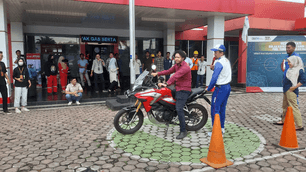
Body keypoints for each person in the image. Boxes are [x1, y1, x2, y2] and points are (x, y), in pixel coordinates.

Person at [151, 50, 191, 139]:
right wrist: (157, 73)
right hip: (177, 88)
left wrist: (166, 84)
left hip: (184, 90)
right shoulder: (177, 65)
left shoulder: (185, 67)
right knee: (166, 99)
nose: (176, 59)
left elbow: (175, 76)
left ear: (183, 58)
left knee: (179, 108)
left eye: (178, 57)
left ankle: (183, 130)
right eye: (175, 57)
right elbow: (168, 71)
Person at [273, 42, 306, 131]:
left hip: (291, 89)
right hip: (286, 87)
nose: (287, 49)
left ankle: (299, 126)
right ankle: (283, 120)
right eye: (286, 47)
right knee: (284, 106)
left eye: (289, 47)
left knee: (293, 106)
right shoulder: (290, 60)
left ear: (294, 48)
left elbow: (303, 80)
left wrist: (294, 87)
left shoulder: (297, 62)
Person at [205, 44, 231, 136]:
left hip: (220, 89)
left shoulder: (218, 62)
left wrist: (209, 88)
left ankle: (216, 131)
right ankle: (222, 128)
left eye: (216, 52)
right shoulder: (226, 61)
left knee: (215, 109)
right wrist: (214, 68)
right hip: (227, 87)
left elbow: (214, 77)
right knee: (222, 108)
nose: (214, 54)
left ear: (221, 53)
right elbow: (222, 72)